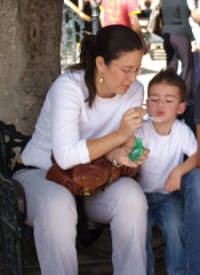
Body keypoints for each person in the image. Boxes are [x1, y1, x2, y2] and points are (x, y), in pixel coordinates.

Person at [12, 25, 149, 275]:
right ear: (100, 63)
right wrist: (118, 135)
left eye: (137, 69)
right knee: (57, 205)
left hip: (91, 177)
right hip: (41, 173)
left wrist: (125, 151)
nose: (133, 78)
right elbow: (65, 157)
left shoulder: (134, 91)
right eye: (126, 70)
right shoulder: (69, 87)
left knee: (132, 198)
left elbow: (121, 143)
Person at [134, 68, 198, 274]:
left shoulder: (182, 131)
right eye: (154, 99)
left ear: (180, 108)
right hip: (140, 195)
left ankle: (178, 271)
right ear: (146, 104)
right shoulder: (141, 130)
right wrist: (134, 156)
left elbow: (196, 157)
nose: (160, 105)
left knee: (176, 230)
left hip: (168, 196)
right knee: (138, 234)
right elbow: (129, 155)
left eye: (169, 101)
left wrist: (179, 171)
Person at [161, 0, 195, 104]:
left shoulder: (164, 1)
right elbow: (185, 23)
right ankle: (185, 95)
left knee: (171, 64)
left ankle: (168, 92)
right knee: (187, 66)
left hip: (167, 33)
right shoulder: (181, 1)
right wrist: (192, 39)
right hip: (180, 34)